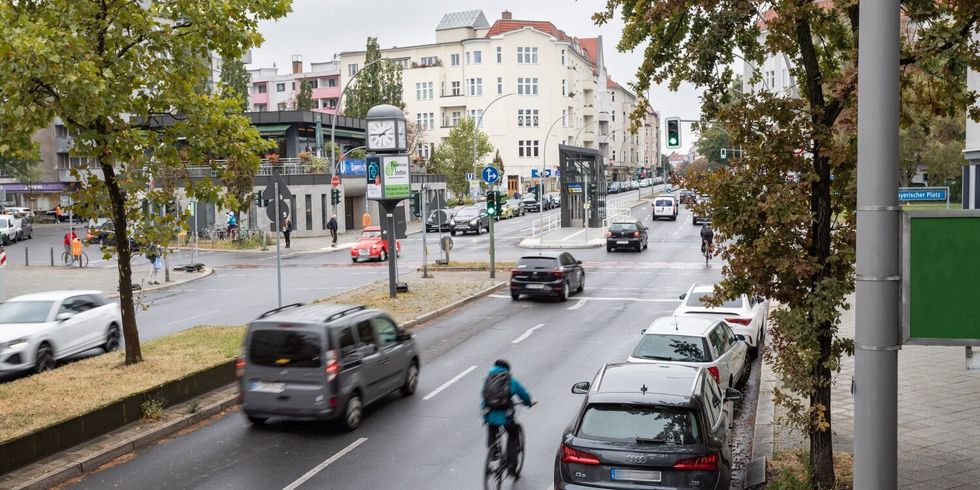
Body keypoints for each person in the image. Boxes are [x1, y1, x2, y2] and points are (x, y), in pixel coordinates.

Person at [481, 359, 533, 475]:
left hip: (489, 415)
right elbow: (523, 394)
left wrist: (484, 416)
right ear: (508, 369)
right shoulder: (510, 380)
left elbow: (483, 397)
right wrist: (529, 402)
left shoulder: (487, 380)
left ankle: (493, 451)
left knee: (492, 428)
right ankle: (511, 467)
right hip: (506, 416)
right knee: (513, 434)